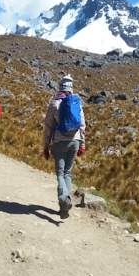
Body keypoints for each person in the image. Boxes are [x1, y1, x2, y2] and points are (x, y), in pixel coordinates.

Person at [43, 75, 86, 219]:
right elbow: (82, 126)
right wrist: (82, 144)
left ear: (60, 87)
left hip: (59, 142)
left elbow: (48, 127)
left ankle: (64, 199)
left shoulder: (55, 104)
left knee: (60, 174)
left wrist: (45, 146)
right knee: (67, 173)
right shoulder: (76, 103)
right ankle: (64, 209)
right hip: (75, 141)